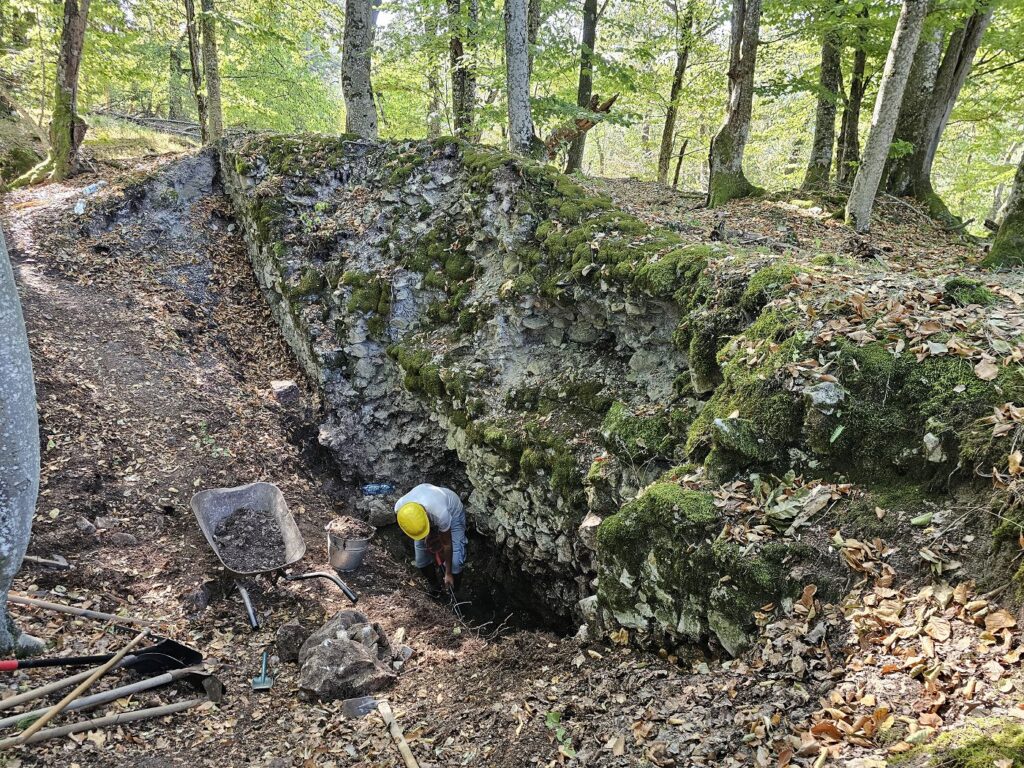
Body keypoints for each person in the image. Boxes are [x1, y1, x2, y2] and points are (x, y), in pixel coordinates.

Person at [395, 483, 468, 593]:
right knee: (421, 560)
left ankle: (454, 589)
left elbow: (447, 544)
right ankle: (434, 586)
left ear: (426, 515)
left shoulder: (440, 513)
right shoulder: (400, 509)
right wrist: (427, 536)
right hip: (423, 517)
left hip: (453, 514)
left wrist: (448, 573)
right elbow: (417, 528)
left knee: (455, 563)